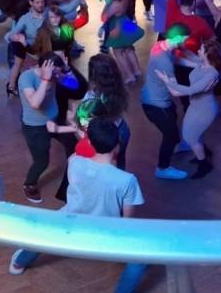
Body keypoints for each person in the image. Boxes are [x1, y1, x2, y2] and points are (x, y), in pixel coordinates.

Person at [8, 119, 147, 292]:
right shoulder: (127, 180)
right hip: (106, 232)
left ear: (89, 142)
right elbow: (127, 219)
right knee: (140, 262)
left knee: (42, 234)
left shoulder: (75, 162)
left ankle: (18, 263)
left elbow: (83, 159)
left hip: (70, 222)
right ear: (117, 143)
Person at [156, 37, 221, 179]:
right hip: (195, 106)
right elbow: (185, 58)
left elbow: (190, 90)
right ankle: (203, 152)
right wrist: (175, 50)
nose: (198, 50)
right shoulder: (202, 63)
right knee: (191, 134)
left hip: (205, 110)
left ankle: (204, 164)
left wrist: (167, 81)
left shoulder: (211, 73)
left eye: (201, 50)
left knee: (190, 137)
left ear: (207, 55)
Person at [19, 53, 77, 203]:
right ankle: (29, 184)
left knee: (73, 145)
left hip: (55, 120)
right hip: (35, 127)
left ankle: (74, 176)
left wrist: (67, 69)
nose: (57, 76)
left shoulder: (55, 74)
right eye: (55, 73)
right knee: (42, 161)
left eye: (58, 72)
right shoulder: (27, 78)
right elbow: (35, 103)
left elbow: (74, 86)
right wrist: (45, 78)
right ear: (43, 67)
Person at [139, 39, 188, 181]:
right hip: (156, 105)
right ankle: (162, 168)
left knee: (173, 116)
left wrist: (199, 65)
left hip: (156, 100)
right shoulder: (164, 61)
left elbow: (179, 60)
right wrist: (198, 89)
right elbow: (175, 91)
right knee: (170, 135)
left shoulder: (161, 47)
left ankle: (178, 145)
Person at [81, 53, 130, 170]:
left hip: (106, 136)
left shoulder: (91, 96)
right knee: (120, 160)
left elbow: (85, 122)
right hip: (122, 128)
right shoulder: (118, 87)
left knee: (108, 165)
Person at [5, 0, 48, 94]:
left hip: (47, 46)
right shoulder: (25, 19)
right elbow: (11, 34)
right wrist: (18, 38)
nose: (41, 5)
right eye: (37, 2)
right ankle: (11, 86)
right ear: (31, 3)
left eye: (42, 2)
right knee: (18, 61)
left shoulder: (48, 14)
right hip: (33, 48)